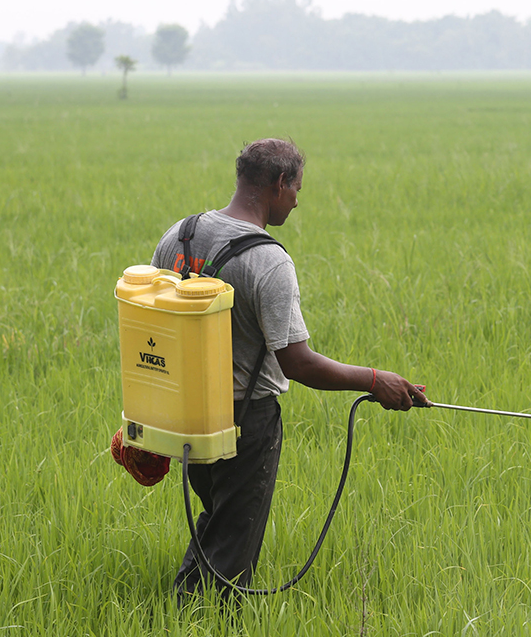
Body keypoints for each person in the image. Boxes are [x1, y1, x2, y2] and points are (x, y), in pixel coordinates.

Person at [151, 138, 427, 601]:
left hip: (185, 414)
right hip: (244, 422)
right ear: (279, 183)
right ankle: (202, 618)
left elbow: (154, 325)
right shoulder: (268, 261)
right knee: (232, 548)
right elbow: (297, 362)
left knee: (218, 519)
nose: (297, 200)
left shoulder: (180, 235)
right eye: (297, 188)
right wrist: (375, 380)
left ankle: (180, 611)